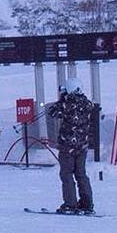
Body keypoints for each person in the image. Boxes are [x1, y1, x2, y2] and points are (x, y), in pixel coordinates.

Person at [46, 86, 100, 215]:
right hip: (82, 146)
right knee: (81, 174)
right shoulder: (87, 104)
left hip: (67, 146)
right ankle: (87, 204)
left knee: (67, 174)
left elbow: (52, 112)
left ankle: (70, 204)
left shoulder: (66, 104)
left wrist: (62, 99)